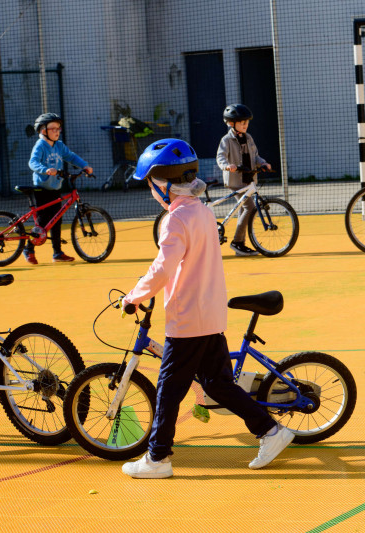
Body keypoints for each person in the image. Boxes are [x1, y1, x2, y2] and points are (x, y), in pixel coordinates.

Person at [120, 138, 293, 479]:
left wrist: (133, 297)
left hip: (188, 319)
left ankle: (157, 459)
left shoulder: (175, 221)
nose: (152, 192)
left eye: (152, 185)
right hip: (210, 313)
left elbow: (162, 269)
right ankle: (272, 432)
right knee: (217, 384)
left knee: (169, 390)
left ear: (164, 184)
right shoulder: (200, 210)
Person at [26, 113, 93, 264]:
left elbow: (71, 156)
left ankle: (57, 253)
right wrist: (45, 170)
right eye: (53, 128)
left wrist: (85, 166)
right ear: (43, 131)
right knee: (43, 220)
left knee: (56, 220)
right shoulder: (40, 145)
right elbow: (33, 162)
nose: (57, 131)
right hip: (41, 189)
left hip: (55, 187)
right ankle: (28, 248)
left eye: (58, 128)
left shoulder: (59, 146)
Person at [216, 103, 272, 257]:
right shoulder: (226, 140)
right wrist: (227, 166)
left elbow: (255, 156)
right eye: (242, 122)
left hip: (249, 180)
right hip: (235, 181)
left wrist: (263, 163)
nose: (245, 125)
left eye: (247, 122)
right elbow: (220, 157)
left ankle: (240, 245)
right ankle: (238, 243)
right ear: (231, 123)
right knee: (249, 208)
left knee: (244, 209)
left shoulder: (249, 138)